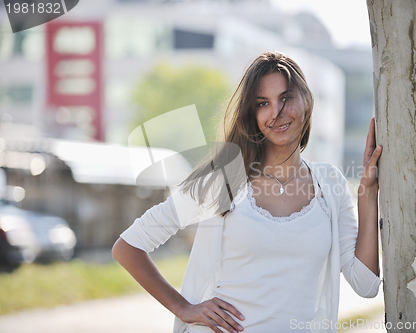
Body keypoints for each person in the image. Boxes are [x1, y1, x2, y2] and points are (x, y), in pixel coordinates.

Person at [112, 51, 383, 333]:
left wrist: (368, 193)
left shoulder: (330, 183)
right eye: (263, 103)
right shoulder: (224, 180)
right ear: (251, 114)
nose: (276, 112)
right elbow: (128, 247)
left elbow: (365, 285)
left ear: (307, 101)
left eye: (286, 97)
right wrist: (184, 308)